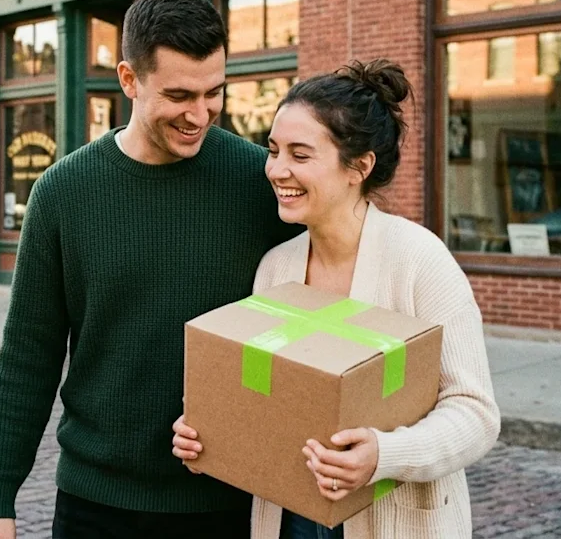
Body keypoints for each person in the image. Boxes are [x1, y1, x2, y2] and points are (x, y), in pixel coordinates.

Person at [0, 0, 299, 539]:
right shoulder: (62, 193)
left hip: (227, 502)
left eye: (213, 93)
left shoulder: (259, 183)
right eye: (178, 96)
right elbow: (30, 354)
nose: (200, 114)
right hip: (94, 503)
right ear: (129, 79)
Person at [172, 59, 500, 539]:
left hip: (393, 521)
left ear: (359, 167)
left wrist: (383, 455)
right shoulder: (277, 268)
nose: (277, 170)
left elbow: (475, 412)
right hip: (291, 518)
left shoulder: (418, 262)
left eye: (300, 155)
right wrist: (211, 434)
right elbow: (266, 400)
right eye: (274, 150)